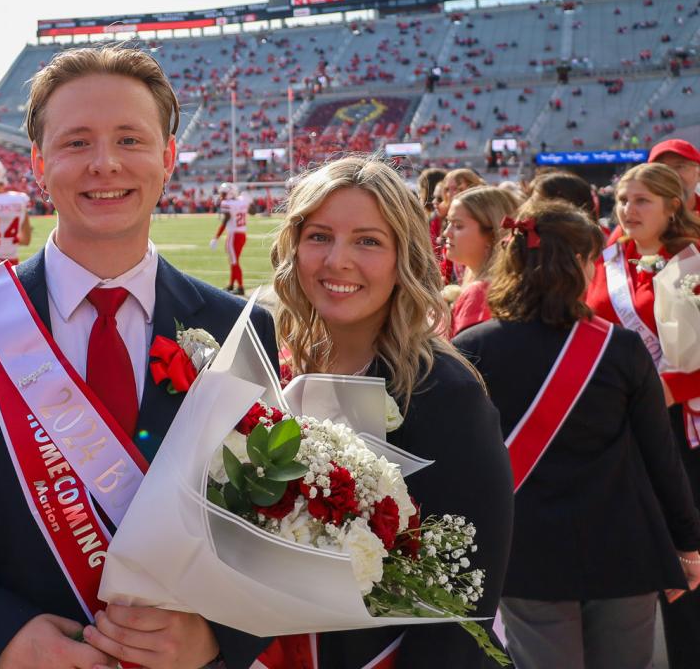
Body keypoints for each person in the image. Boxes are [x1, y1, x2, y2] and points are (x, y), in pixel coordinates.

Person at [0, 46, 277, 669]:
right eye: (76, 142)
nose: (104, 164)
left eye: (129, 139)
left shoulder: (240, 327)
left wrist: (217, 636)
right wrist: (2, 636)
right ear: (38, 162)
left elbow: (269, 520)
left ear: (168, 157)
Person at [262, 156, 512, 668]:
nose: (337, 260)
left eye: (368, 241)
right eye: (319, 236)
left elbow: (463, 603)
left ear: (405, 257)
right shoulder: (274, 369)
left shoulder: (445, 392)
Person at [456, 199, 700, 669]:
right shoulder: (622, 349)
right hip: (621, 546)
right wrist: (687, 541)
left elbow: (464, 464)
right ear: (583, 265)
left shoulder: (471, 347)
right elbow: (659, 455)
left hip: (524, 550)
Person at [584, 161, 700, 667]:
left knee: (685, 547)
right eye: (622, 200)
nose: (627, 210)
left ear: (673, 205)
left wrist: (674, 388)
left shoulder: (694, 260)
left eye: (641, 201)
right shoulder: (608, 260)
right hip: (620, 426)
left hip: (681, 424)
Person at [444, 186, 518, 336]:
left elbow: (461, 355)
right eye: (448, 223)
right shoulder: (493, 281)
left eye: (458, 225)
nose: (447, 233)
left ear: (492, 236)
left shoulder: (480, 293)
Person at [211, 181, 250, 294]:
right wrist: (249, 202)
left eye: (223, 193)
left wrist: (216, 237)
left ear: (230, 193)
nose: (221, 196)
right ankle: (231, 284)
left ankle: (241, 287)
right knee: (233, 261)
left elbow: (225, 221)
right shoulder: (241, 201)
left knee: (234, 261)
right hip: (242, 234)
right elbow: (253, 211)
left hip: (234, 235)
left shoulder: (228, 204)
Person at [648, 138, 700, 216]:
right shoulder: (637, 217)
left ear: (698, 174)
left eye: (679, 166)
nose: (670, 174)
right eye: (661, 168)